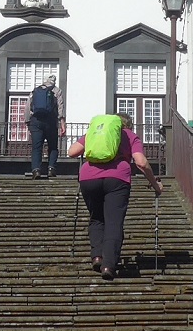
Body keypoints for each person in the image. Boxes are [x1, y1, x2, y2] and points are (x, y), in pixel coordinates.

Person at [66, 114, 162, 281]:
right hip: (117, 179)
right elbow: (141, 162)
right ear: (129, 125)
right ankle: (108, 265)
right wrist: (155, 184)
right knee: (113, 222)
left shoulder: (96, 132)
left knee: (96, 218)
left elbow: (72, 152)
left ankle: (97, 256)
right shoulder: (130, 136)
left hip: (88, 178)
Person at [27, 76, 60, 178]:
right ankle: (51, 169)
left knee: (36, 148)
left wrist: (28, 123)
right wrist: (62, 122)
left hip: (36, 121)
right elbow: (60, 107)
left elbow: (28, 107)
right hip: (51, 121)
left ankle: (36, 170)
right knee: (53, 146)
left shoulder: (35, 91)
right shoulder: (57, 91)